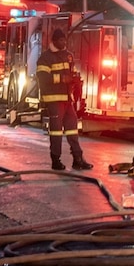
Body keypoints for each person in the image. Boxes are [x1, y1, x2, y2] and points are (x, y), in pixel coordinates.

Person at [36, 28, 93, 171]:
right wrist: (62, 78)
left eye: (65, 40)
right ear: (54, 41)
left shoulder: (68, 56)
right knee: (56, 131)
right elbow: (42, 78)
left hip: (68, 100)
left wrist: (75, 81)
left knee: (73, 129)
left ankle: (78, 159)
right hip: (54, 100)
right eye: (61, 40)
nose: (64, 42)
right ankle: (56, 160)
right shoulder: (45, 58)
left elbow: (71, 73)